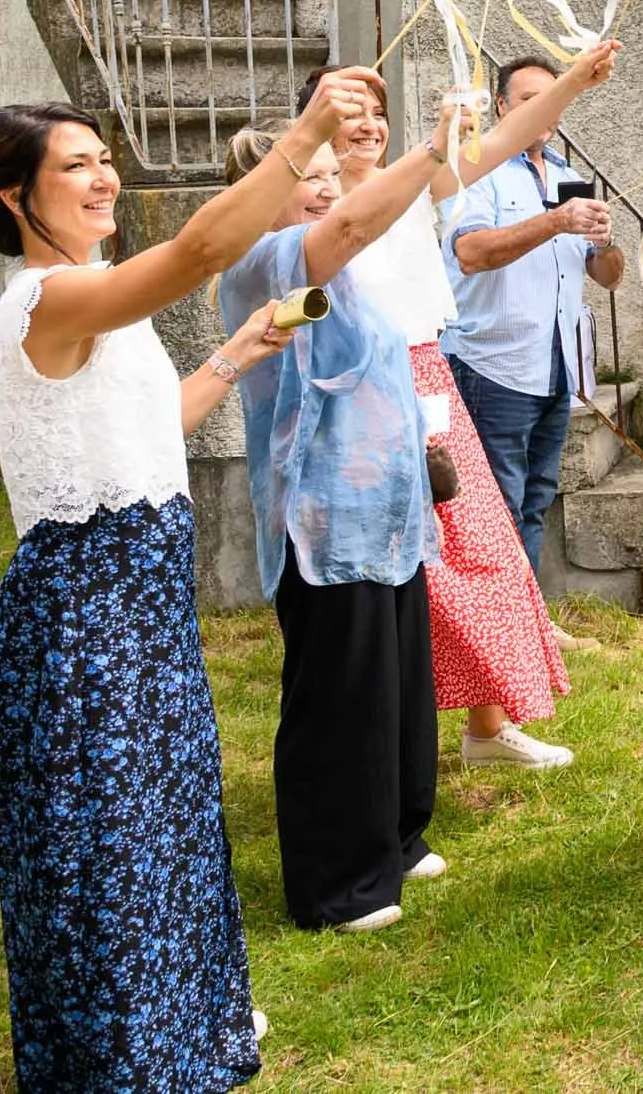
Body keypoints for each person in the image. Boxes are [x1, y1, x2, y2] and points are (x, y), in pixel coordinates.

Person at [0, 74, 366, 1086]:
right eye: (75, 165)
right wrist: (306, 132)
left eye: (103, 158)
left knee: (167, 824)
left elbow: (146, 431)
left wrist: (238, 349)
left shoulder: (99, 296)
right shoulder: (43, 297)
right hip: (80, 610)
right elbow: (194, 252)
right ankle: (122, 1057)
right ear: (16, 195)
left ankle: (180, 1026)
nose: (101, 177)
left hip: (142, 600)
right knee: (105, 847)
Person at [300, 42, 619, 771]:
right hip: (358, 391)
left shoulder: (418, 179)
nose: (367, 127)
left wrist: (573, 80)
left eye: (377, 115)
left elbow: (505, 135)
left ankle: (487, 725)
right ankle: (381, 736)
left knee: (481, 550)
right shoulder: (308, 205)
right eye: (349, 114)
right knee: (402, 571)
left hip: (429, 378)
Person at [218, 96, 467, 933]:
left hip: (385, 515)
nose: (328, 189)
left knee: (396, 687)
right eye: (308, 177)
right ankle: (338, 883)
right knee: (338, 701)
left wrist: (570, 83)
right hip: (320, 520)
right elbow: (352, 228)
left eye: (332, 176)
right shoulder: (265, 263)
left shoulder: (343, 271)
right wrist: (431, 148)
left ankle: (395, 836)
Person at [442, 54, 627, 587]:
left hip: (556, 364)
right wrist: (553, 221)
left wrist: (604, 240)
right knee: (495, 501)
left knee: (537, 496)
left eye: (553, 98)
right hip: (491, 362)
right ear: (501, 106)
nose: (544, 109)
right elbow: (471, 253)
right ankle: (501, 627)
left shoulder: (570, 178)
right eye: (528, 100)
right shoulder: (475, 169)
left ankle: (529, 624)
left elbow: (608, 277)